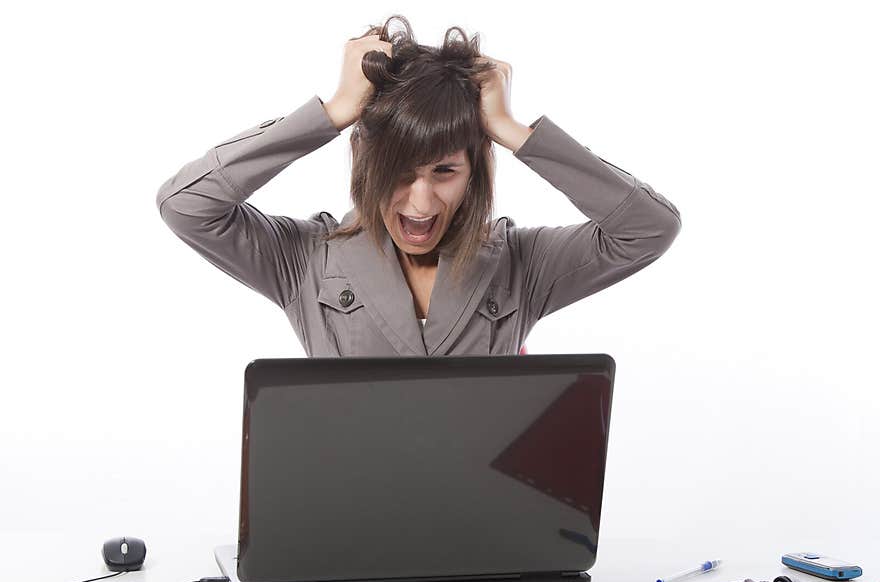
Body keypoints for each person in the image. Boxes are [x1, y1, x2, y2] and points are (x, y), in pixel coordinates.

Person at [155, 15, 681, 357]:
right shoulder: (306, 259)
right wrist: (333, 113)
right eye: (400, 172)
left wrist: (514, 133)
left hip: (482, 524)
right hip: (346, 521)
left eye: (444, 172)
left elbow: (648, 229)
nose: (420, 202)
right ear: (363, 161)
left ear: (475, 169)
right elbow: (186, 206)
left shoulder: (522, 264)